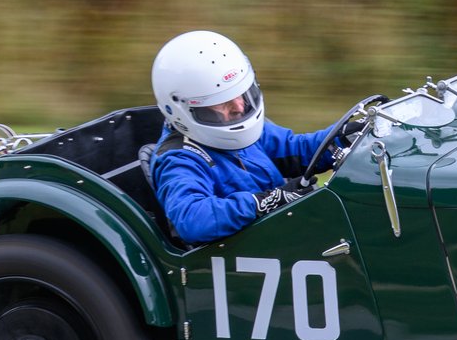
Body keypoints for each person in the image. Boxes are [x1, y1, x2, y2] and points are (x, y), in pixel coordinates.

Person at [149, 30, 354, 245]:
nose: (239, 107)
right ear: (182, 111)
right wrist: (262, 203)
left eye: (241, 93)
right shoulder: (179, 159)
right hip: (253, 252)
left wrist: (344, 137)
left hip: (284, 234)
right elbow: (193, 220)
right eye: (222, 103)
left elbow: (297, 149)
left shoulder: (245, 130)